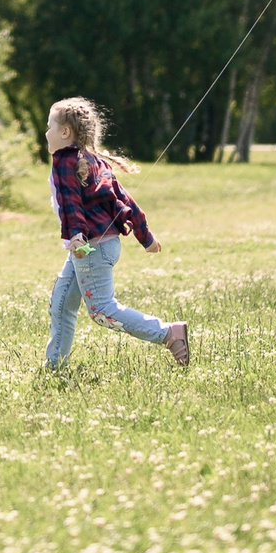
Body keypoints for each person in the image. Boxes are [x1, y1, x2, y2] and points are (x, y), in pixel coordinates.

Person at [44, 96, 190, 370]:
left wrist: (75, 235)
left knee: (101, 310)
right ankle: (54, 367)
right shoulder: (94, 160)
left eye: (50, 126)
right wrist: (146, 237)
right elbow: (125, 200)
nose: (46, 133)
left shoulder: (64, 160)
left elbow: (70, 202)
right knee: (62, 304)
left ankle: (168, 334)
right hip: (98, 247)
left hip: (90, 249)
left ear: (65, 132)